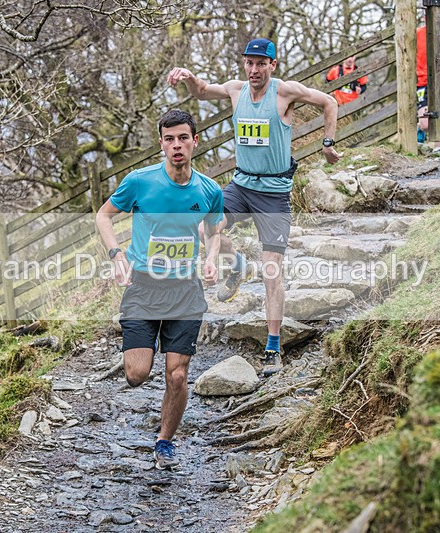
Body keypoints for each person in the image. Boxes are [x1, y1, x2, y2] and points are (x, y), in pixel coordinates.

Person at [167, 38, 340, 376]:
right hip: (241, 186)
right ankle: (237, 265)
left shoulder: (284, 92)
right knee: (205, 228)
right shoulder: (236, 90)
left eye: (261, 63)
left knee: (271, 271)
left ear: (272, 65)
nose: (254, 70)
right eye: (249, 63)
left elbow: (329, 102)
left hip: (273, 195)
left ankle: (273, 346)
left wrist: (328, 143)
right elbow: (201, 92)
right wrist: (188, 76)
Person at [95, 109, 223, 469]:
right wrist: (116, 253)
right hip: (143, 288)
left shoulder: (209, 190)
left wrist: (211, 259)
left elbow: (215, 230)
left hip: (185, 291)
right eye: (169, 139)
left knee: (177, 374)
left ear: (195, 141)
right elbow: (103, 216)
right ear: (161, 144)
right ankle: (141, 347)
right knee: (137, 374)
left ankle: (164, 441)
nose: (176, 145)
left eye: (183, 138)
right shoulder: (140, 181)